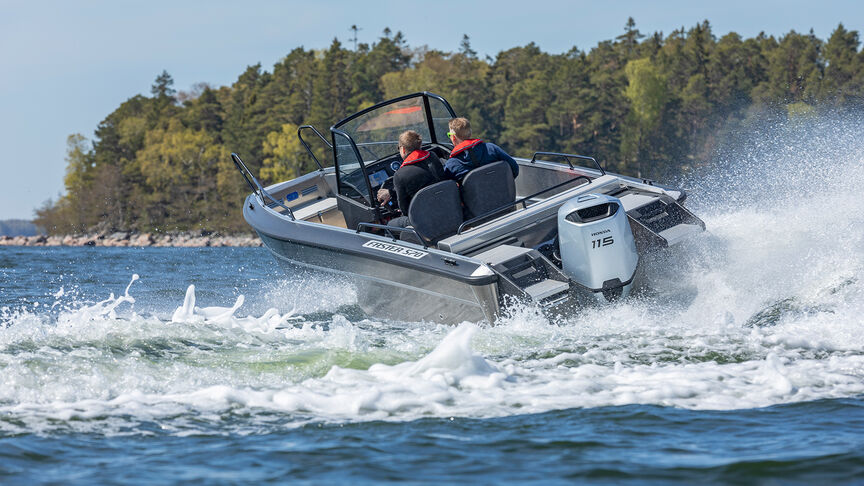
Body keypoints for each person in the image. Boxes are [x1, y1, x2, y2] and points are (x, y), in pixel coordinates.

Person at [377, 130, 443, 229]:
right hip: (445, 207)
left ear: (403, 149)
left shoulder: (400, 175)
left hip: (424, 220)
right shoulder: (433, 157)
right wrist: (392, 192)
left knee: (389, 227)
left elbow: (405, 210)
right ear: (419, 146)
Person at [443, 117, 519, 183]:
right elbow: (514, 168)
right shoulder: (491, 148)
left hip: (472, 200)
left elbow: (447, 190)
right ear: (470, 133)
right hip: (503, 197)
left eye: (449, 135)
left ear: (453, 137)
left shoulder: (452, 164)